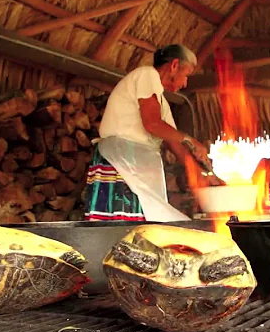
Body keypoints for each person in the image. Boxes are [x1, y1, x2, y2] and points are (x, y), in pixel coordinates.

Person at [84, 44, 211, 222]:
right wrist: (191, 140)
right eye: (186, 75)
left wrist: (201, 175)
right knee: (122, 228)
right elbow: (152, 124)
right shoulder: (147, 75)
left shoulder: (162, 103)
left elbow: (173, 142)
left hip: (135, 162)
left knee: (141, 225)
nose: (185, 83)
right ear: (174, 65)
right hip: (121, 159)